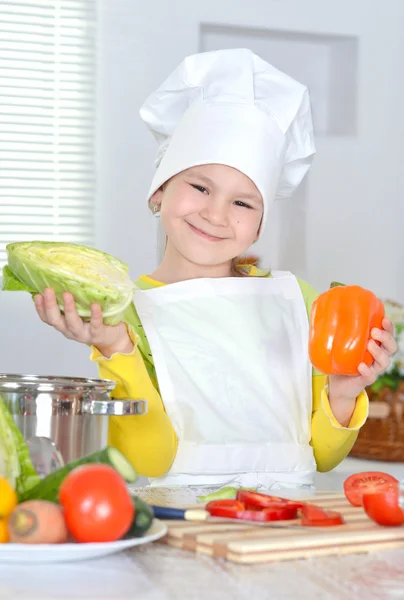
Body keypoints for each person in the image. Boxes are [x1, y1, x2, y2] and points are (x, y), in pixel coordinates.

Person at [33, 49, 397, 490]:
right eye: (200, 186)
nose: (216, 213)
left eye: (243, 202)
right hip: (182, 529)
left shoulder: (296, 300)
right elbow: (151, 459)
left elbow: (319, 457)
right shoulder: (125, 312)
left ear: (260, 225)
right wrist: (115, 350)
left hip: (287, 527)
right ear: (158, 192)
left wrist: (343, 393)